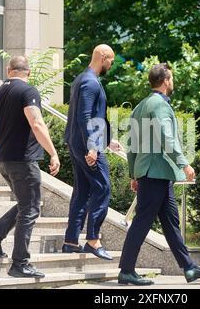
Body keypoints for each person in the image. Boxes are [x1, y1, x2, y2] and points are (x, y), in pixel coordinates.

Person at [117, 63, 200, 286]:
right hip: (156, 173)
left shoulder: (140, 106)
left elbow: (131, 144)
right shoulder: (159, 105)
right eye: (172, 78)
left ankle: (189, 267)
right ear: (166, 80)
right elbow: (166, 137)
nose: (173, 81)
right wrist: (184, 163)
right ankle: (126, 270)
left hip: (151, 173)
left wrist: (134, 174)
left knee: (170, 222)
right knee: (142, 222)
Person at [0, 56, 60, 278]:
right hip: (22, 160)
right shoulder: (28, 92)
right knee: (31, 208)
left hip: (3, 159)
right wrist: (53, 152)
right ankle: (19, 263)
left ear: (9, 70)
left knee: (26, 204)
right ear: (28, 72)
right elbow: (36, 122)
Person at [63, 44, 123, 260]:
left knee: (82, 190)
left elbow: (90, 117)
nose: (111, 64)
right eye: (111, 60)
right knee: (103, 187)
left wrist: (106, 141)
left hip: (78, 143)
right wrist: (92, 146)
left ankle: (71, 241)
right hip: (86, 146)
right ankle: (93, 240)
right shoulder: (90, 82)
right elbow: (85, 117)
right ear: (103, 57)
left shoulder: (81, 78)